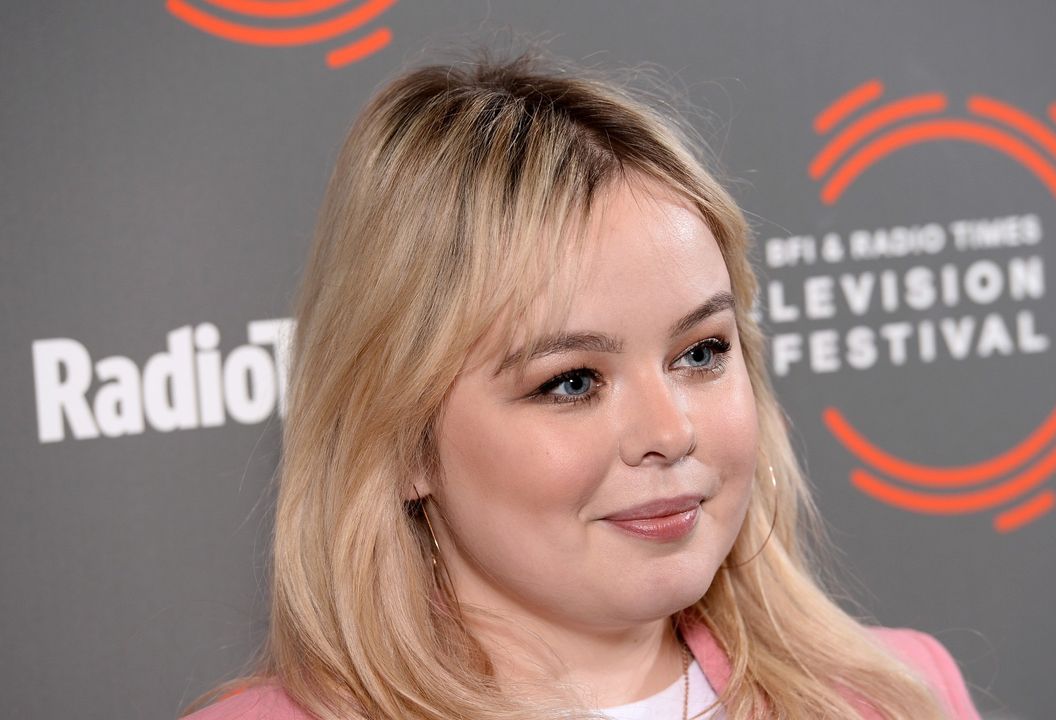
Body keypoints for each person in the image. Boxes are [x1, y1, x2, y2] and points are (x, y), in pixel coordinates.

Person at [180, 46, 982, 720]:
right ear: (402, 441)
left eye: (701, 352)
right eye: (571, 382)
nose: (670, 432)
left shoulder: (897, 695)